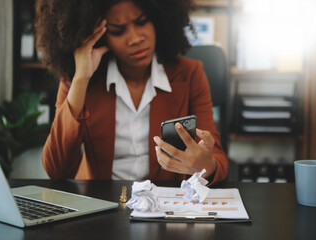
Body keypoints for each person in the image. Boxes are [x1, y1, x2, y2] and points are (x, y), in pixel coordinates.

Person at [35, 0, 228, 185]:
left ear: (158, 19)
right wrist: (80, 79)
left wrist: (206, 166)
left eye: (142, 22)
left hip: (163, 205)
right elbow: (57, 171)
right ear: (98, 37)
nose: (135, 39)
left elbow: (217, 159)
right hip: (103, 204)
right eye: (117, 31)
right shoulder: (79, 80)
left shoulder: (190, 74)